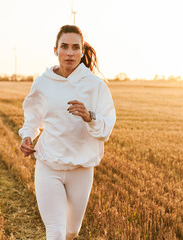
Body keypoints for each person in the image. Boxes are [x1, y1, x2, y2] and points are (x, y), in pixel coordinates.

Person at [18, 25, 116, 240]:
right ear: (55, 50)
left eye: (75, 47)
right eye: (64, 47)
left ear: (82, 51)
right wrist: (27, 136)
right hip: (48, 165)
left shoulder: (96, 86)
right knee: (56, 232)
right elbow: (33, 117)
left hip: (81, 169)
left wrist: (90, 116)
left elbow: (106, 129)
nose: (69, 53)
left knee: (71, 231)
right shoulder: (43, 83)